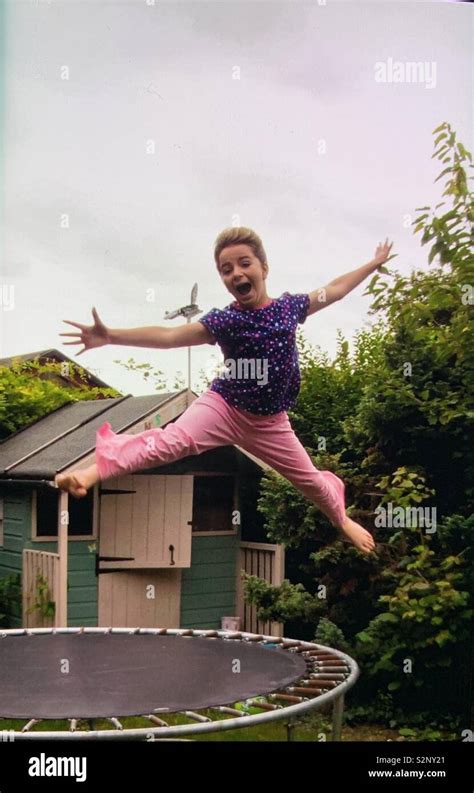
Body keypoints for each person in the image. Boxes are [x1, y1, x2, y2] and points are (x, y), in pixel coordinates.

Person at [56, 227, 393, 553]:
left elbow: (334, 289)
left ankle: (341, 519)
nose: (236, 274)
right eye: (226, 269)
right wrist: (112, 335)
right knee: (171, 442)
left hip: (269, 422)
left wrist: (372, 264)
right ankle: (92, 473)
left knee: (311, 482)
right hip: (224, 406)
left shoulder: (289, 308)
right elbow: (171, 337)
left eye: (244, 264)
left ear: (264, 267)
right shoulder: (225, 321)